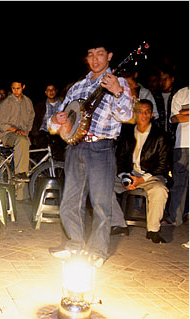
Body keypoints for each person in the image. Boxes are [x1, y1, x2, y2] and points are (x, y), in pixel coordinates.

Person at [48, 42, 134, 267]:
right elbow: (59, 122)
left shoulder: (120, 83)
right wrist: (56, 121)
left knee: (100, 203)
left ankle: (97, 250)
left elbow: (126, 116)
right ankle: (74, 244)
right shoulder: (77, 87)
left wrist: (117, 92)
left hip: (101, 148)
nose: (95, 59)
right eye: (91, 55)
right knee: (70, 201)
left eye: (100, 54)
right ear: (86, 59)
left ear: (110, 56)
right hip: (75, 147)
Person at [110, 99, 170, 244]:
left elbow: (163, 165)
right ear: (134, 114)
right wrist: (125, 177)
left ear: (152, 114)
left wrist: (141, 179)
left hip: (151, 176)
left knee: (160, 190)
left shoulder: (160, 135)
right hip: (130, 174)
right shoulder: (127, 133)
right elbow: (121, 158)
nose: (144, 115)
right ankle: (119, 224)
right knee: (103, 187)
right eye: (140, 112)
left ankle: (153, 230)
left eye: (147, 112)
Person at [0, 80, 35, 182]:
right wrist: (16, 130)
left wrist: (27, 131)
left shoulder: (28, 102)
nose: (15, 91)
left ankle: (22, 197)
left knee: (25, 158)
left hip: (23, 136)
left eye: (18, 88)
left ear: (23, 87)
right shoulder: (6, 103)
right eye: (13, 88)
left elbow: (32, 117)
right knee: (21, 140)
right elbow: (2, 125)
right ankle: (19, 173)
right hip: (8, 134)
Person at [164, 86, 189, 229]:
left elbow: (180, 116)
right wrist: (180, 116)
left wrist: (184, 113)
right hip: (182, 144)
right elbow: (174, 118)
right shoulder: (181, 93)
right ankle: (175, 218)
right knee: (179, 185)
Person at [31, 84, 66, 160]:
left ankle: (58, 170)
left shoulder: (63, 104)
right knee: (42, 156)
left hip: (59, 134)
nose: (51, 92)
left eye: (52, 90)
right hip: (44, 133)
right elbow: (35, 122)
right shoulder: (40, 106)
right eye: (48, 90)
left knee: (60, 154)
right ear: (46, 92)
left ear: (56, 91)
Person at [153, 66, 177, 142]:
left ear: (172, 79)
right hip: (159, 138)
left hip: (175, 137)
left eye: (165, 79)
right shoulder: (155, 97)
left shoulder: (178, 95)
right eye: (160, 79)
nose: (162, 82)